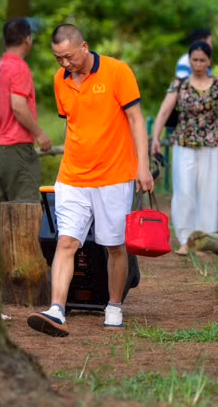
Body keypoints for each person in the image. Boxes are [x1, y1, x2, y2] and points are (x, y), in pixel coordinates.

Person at [27, 24, 153, 337]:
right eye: (58, 58)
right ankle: (56, 309)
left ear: (84, 47)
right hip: (72, 175)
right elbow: (73, 124)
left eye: (68, 56)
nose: (64, 64)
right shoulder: (60, 80)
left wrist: (143, 166)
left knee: (114, 246)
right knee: (66, 241)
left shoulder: (117, 72)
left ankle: (113, 304)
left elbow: (136, 120)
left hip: (114, 175)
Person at [151, 41, 218, 255]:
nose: (198, 64)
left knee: (208, 191)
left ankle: (203, 239)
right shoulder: (179, 84)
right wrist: (155, 137)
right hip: (184, 142)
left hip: (211, 143)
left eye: (202, 60)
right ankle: (185, 238)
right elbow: (164, 111)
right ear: (189, 60)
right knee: (184, 190)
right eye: (194, 59)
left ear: (209, 61)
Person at [0, 18, 51, 203]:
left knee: (2, 211)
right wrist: (39, 133)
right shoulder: (19, 68)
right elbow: (18, 106)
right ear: (27, 40)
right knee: (26, 210)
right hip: (17, 148)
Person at [171, 27, 218, 201]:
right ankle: (204, 188)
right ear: (203, 40)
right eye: (210, 40)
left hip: (210, 117)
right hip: (196, 119)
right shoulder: (186, 61)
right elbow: (182, 87)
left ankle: (210, 186)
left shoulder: (203, 59)